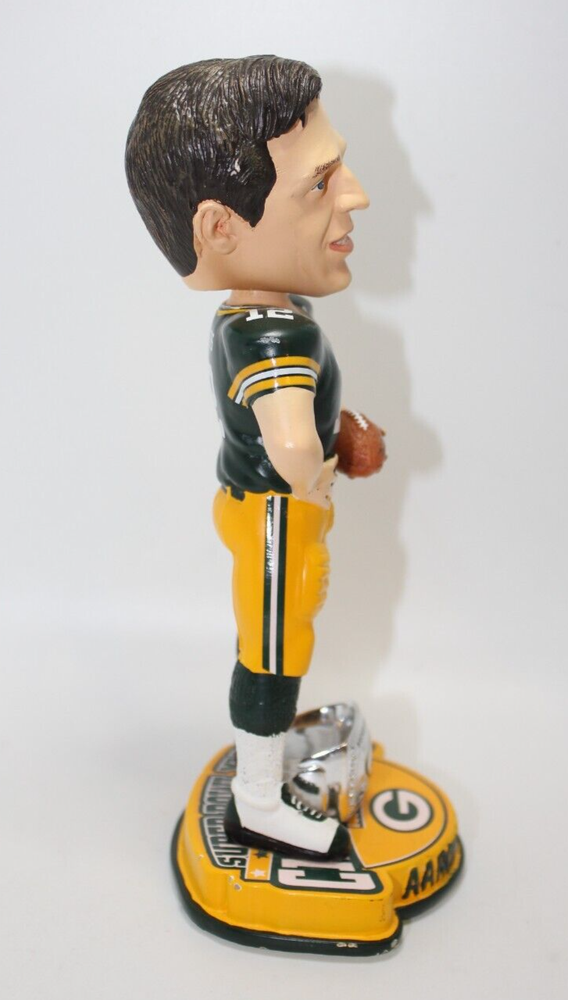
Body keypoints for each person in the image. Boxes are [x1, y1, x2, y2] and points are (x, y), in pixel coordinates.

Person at [125, 55, 370, 859]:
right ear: (222, 229)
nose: (354, 195)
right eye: (320, 183)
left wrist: (333, 436)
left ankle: (264, 767)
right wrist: (319, 476)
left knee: (279, 645)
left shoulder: (258, 312)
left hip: (258, 510)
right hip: (276, 518)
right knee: (271, 656)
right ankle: (260, 801)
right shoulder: (276, 334)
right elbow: (290, 441)